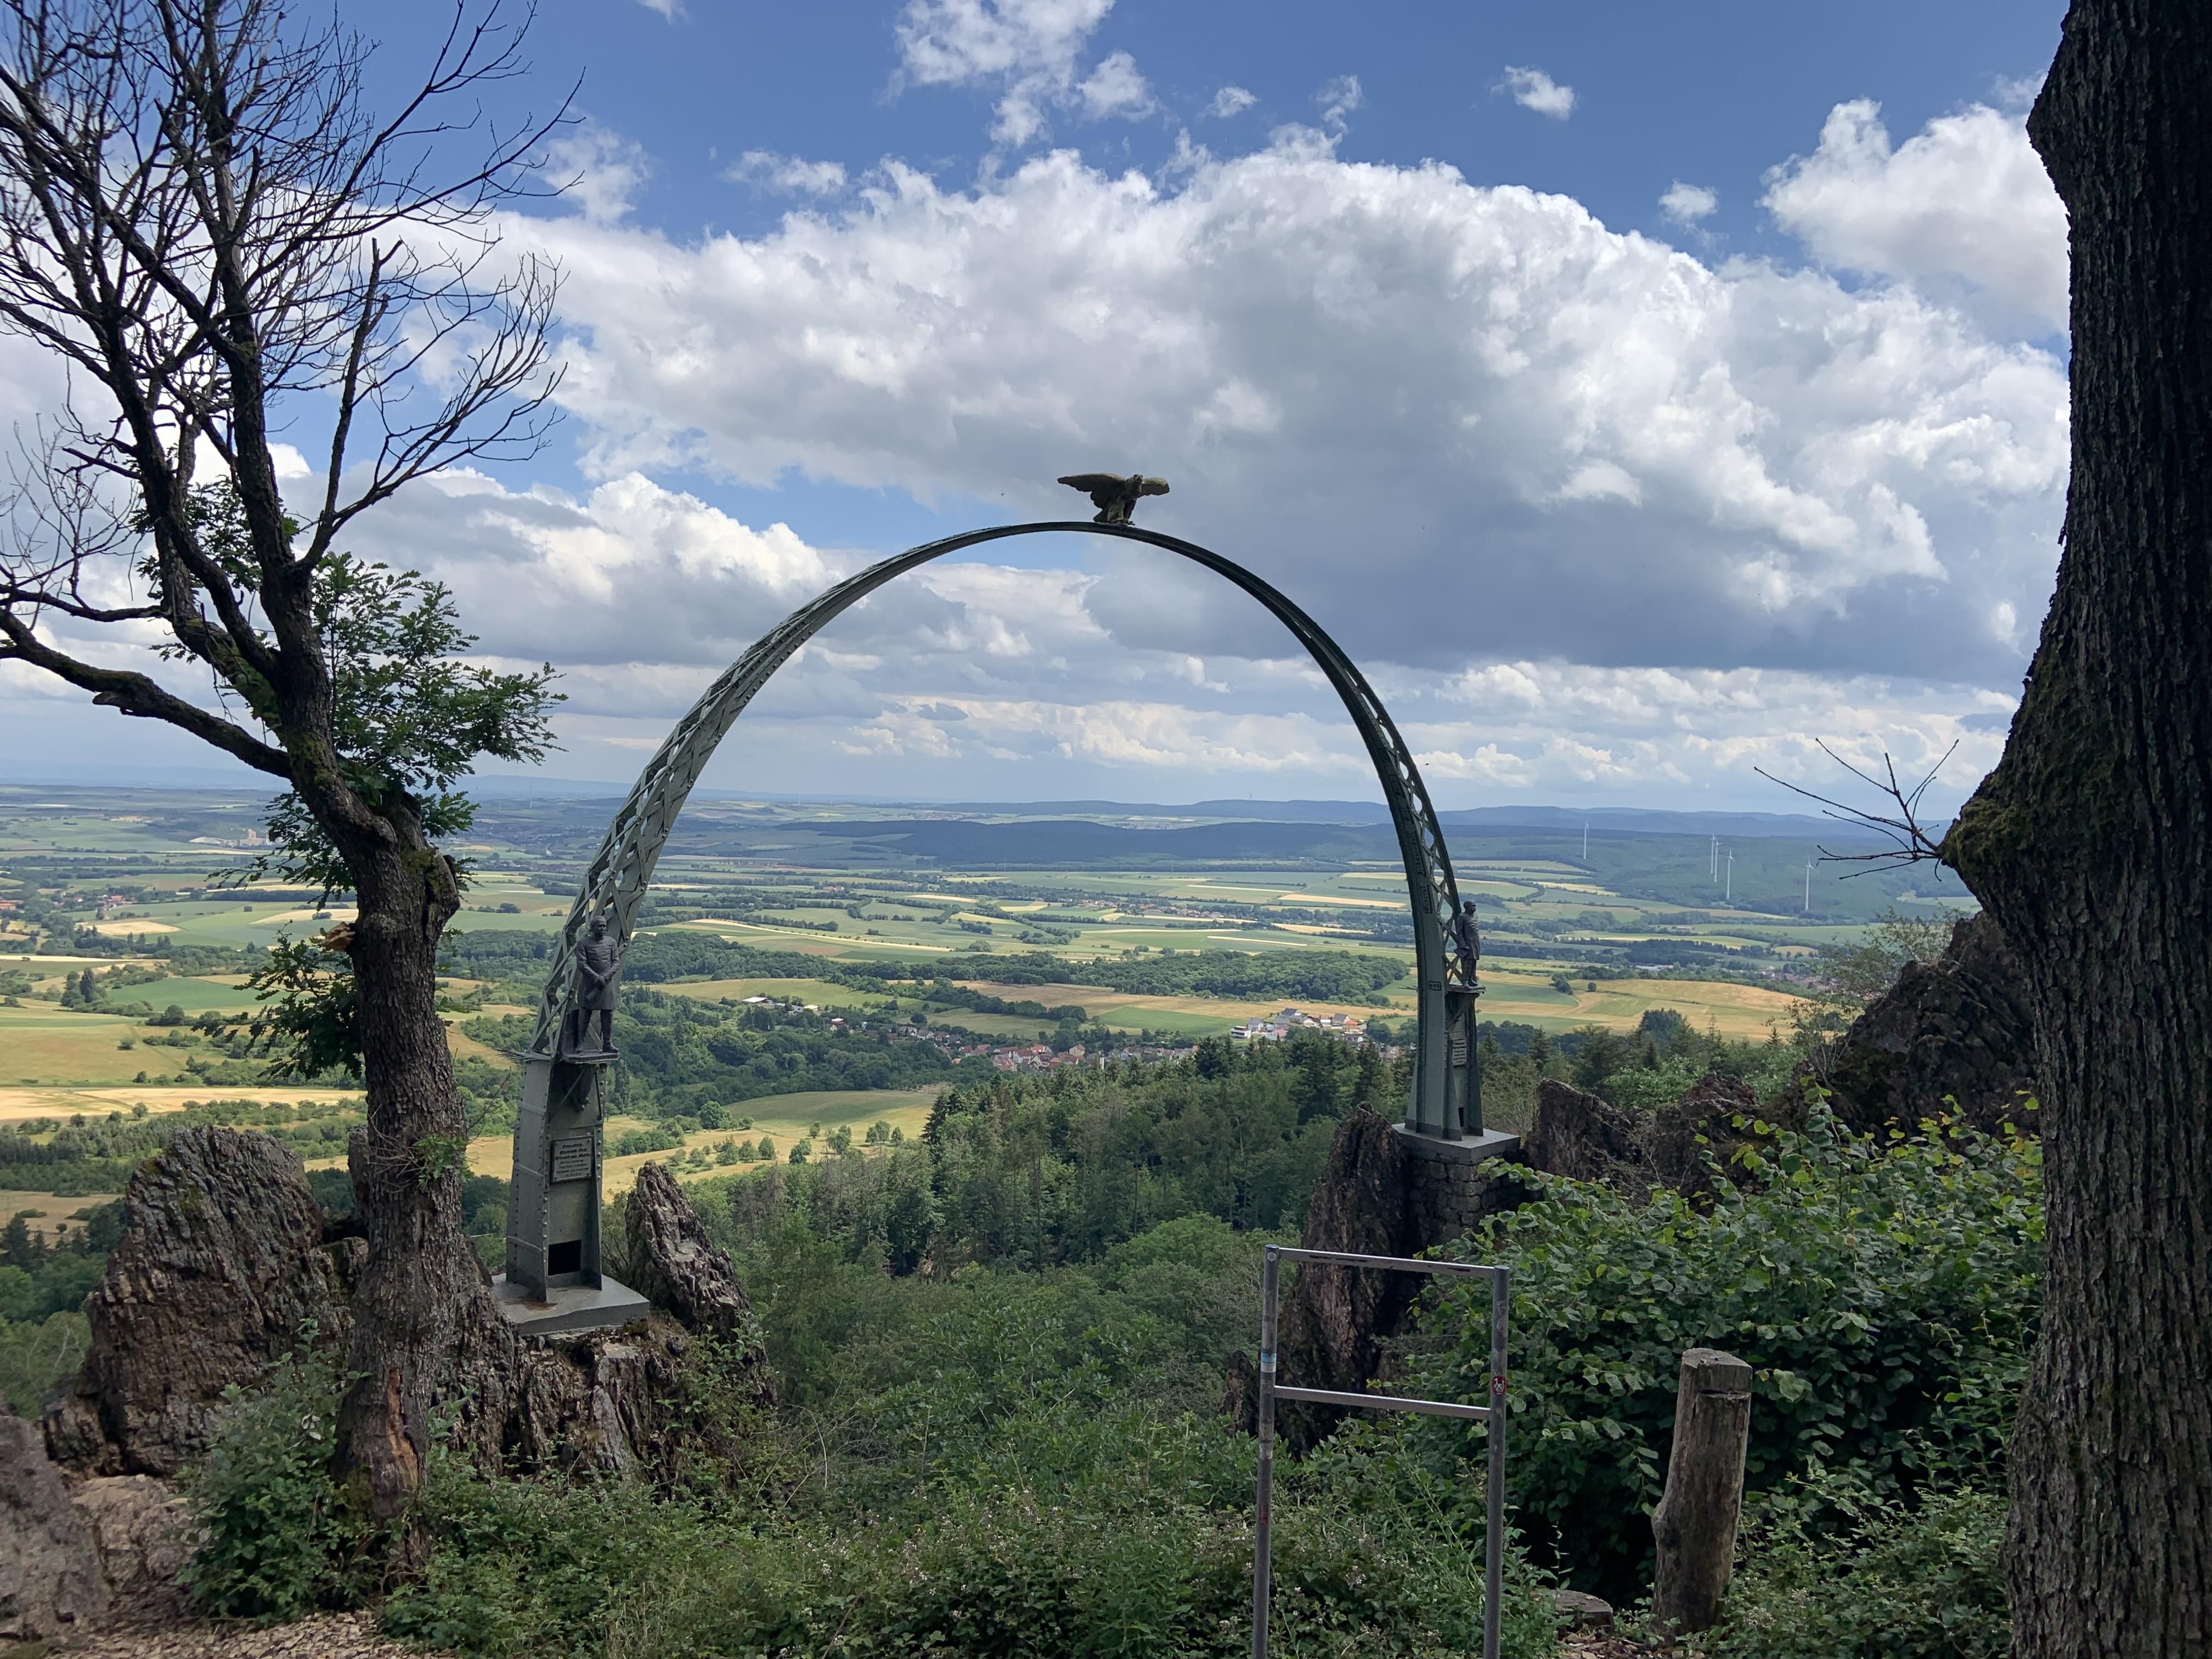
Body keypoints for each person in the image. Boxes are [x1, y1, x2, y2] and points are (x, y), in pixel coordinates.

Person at [566, 913, 622, 1056]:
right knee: (585, 1013)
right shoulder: (583, 943)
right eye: (599, 926)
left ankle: (607, 1043)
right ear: (593, 928)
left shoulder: (611, 942)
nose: (602, 929)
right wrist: (596, 977)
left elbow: (616, 962)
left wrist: (605, 977)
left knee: (608, 1013)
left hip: (607, 984)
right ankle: (581, 1043)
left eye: (604, 926)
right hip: (589, 984)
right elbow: (582, 964)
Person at [1450, 898, 1481, 982]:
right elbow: (1459, 931)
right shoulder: (1462, 916)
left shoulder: (1476, 916)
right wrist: (1463, 944)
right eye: (1472, 906)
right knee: (1468, 962)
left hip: (1475, 942)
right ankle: (1465, 980)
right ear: (1467, 907)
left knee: (1474, 962)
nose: (1474, 908)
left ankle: (1472, 979)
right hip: (1468, 942)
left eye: (1475, 906)